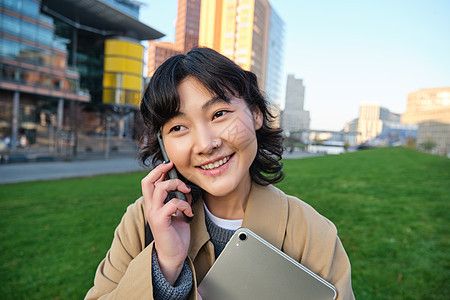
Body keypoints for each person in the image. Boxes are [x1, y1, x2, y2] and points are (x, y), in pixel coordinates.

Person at [85, 47, 354, 299]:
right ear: (163, 145)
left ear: (256, 114)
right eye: (178, 128)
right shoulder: (141, 222)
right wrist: (165, 268)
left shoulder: (312, 232)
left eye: (219, 113)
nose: (205, 144)